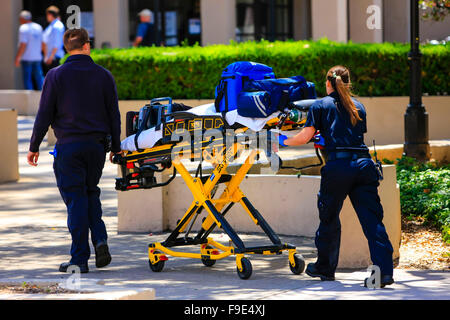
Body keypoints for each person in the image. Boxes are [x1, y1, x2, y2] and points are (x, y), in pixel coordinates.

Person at [278, 65, 394, 288]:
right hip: (363, 165)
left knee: (329, 219)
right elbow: (349, 135)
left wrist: (282, 140)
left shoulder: (320, 105)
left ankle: (325, 268)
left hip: (338, 168)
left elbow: (304, 137)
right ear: (348, 83)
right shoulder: (358, 106)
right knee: (372, 221)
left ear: (328, 83)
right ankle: (384, 273)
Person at [27, 28, 122, 273]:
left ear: (66, 48)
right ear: (87, 46)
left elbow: (44, 113)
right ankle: (100, 239)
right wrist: (117, 148)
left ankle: (79, 259)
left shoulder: (55, 75)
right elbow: (114, 114)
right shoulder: (103, 76)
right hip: (96, 147)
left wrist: (34, 145)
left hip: (69, 147)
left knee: (76, 199)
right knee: (90, 192)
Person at [15, 11, 45, 90]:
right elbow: (43, 43)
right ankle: (44, 98)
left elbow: (23, 44)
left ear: (22, 19)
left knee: (27, 79)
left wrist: (18, 58)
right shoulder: (38, 27)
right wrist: (43, 54)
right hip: (37, 57)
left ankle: (28, 101)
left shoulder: (23, 28)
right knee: (39, 78)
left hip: (27, 58)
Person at [42, 6, 65, 75]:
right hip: (50, 58)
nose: (46, 17)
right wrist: (46, 56)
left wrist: (51, 56)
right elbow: (44, 41)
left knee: (56, 81)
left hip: (55, 58)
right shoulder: (51, 26)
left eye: (47, 15)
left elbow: (57, 43)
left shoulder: (57, 26)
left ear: (50, 15)